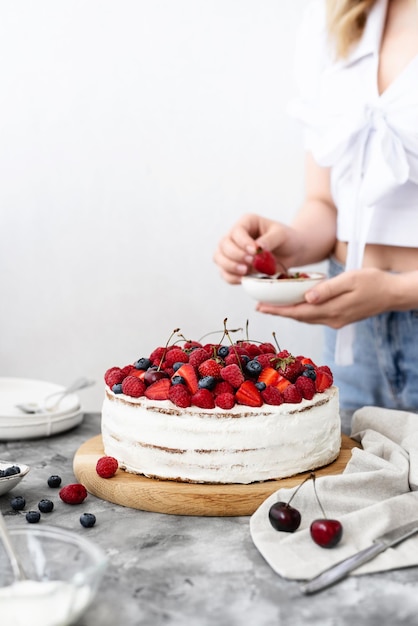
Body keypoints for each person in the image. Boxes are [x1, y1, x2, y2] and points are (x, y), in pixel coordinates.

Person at [213, 0, 418, 412]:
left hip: (378, 299)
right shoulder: (333, 18)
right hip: (352, 328)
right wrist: (288, 243)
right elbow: (324, 201)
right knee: (348, 468)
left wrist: (396, 291)